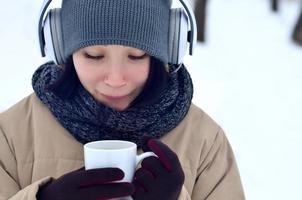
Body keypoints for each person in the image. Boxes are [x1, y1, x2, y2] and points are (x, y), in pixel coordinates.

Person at [0, 0, 245, 199]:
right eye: (94, 55)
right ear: (61, 47)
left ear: (167, 51)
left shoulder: (205, 141)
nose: (116, 79)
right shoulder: (10, 135)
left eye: (136, 55)